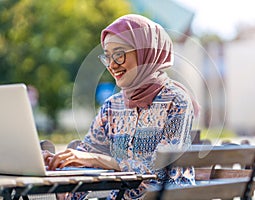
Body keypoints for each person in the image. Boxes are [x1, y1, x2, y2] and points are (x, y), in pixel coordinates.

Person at [43, 14, 199, 200]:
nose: (111, 65)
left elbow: (161, 167)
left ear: (145, 52)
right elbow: (88, 153)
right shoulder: (112, 106)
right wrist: (58, 162)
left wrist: (96, 160)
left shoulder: (177, 100)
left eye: (119, 54)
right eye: (107, 57)